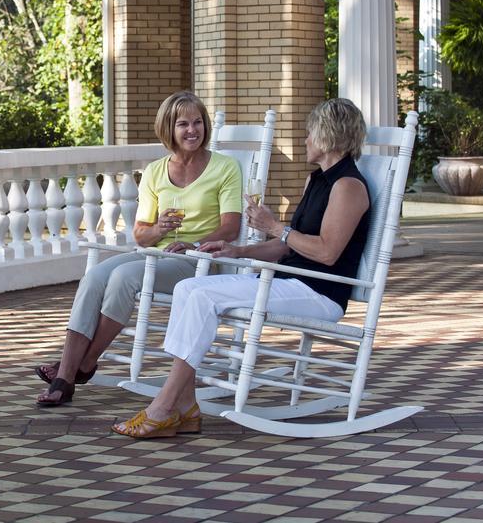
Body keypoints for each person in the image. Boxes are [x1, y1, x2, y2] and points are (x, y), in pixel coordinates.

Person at [111, 97, 371, 438]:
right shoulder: (317, 180)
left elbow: (326, 253)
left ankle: (163, 407)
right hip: (290, 280)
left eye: (310, 132)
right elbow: (287, 245)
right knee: (187, 288)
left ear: (328, 135)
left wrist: (276, 226)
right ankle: (186, 407)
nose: (305, 139)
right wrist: (238, 250)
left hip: (318, 292)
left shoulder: (348, 186)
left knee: (204, 297)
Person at [36, 91, 243, 406]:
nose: (192, 130)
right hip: (155, 255)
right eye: (183, 124)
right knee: (94, 278)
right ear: (168, 129)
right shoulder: (155, 172)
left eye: (198, 122)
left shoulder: (225, 167)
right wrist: (159, 228)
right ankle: (67, 374)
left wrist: (194, 244)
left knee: (125, 277)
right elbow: (140, 235)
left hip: (200, 259)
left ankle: (84, 364)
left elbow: (231, 226)